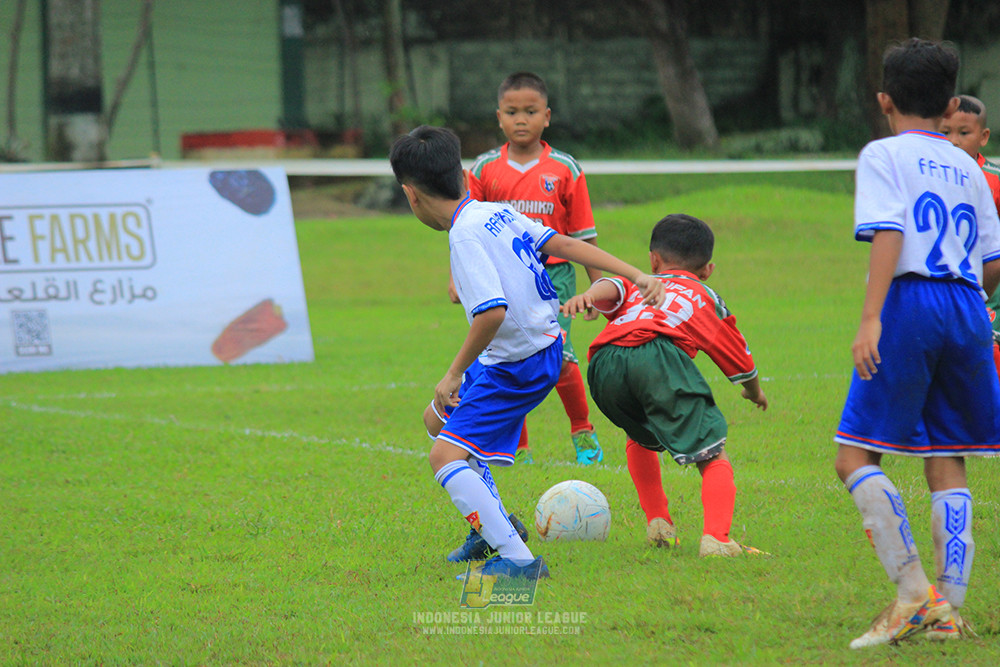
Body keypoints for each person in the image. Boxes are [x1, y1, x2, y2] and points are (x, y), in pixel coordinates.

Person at [389, 125, 665, 578]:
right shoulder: (494, 213)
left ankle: (518, 560)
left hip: (519, 364)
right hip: (534, 347)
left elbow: (491, 314)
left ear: (410, 195)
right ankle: (489, 527)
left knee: (444, 457)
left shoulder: (464, 236)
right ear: (460, 172)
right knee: (435, 420)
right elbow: (564, 243)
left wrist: (453, 372)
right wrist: (635, 273)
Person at [833, 39, 1000, 649]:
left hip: (911, 302)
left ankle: (912, 595)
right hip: (967, 307)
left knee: (854, 457)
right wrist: (961, 304)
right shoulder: (970, 165)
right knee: (949, 452)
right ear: (952, 102)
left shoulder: (883, 153)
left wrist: (873, 317)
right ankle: (949, 611)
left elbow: (889, 231)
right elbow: (991, 261)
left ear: (884, 101)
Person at [562, 213, 769, 556]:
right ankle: (717, 538)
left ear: (654, 260)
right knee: (712, 452)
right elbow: (737, 355)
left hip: (603, 364)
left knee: (639, 434)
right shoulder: (702, 293)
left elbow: (611, 288)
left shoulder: (639, 282)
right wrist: (754, 390)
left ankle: (659, 523)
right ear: (707, 270)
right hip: (655, 357)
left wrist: (588, 295)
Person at [464, 71, 605, 466]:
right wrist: (456, 276)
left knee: (559, 354)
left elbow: (582, 235)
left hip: (554, 276)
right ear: (498, 117)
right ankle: (517, 446)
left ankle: (583, 433)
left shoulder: (564, 168)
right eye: (512, 111)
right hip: (501, 278)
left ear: (547, 116)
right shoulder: (484, 170)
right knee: (507, 355)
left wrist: (597, 286)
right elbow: (464, 227)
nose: (520, 119)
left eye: (530, 111)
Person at [940, 94, 1000, 377]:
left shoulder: (995, 180)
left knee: (990, 353)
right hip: (948, 286)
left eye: (964, 133)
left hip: (991, 290)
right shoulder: (933, 178)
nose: (954, 140)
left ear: (983, 136)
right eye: (946, 132)